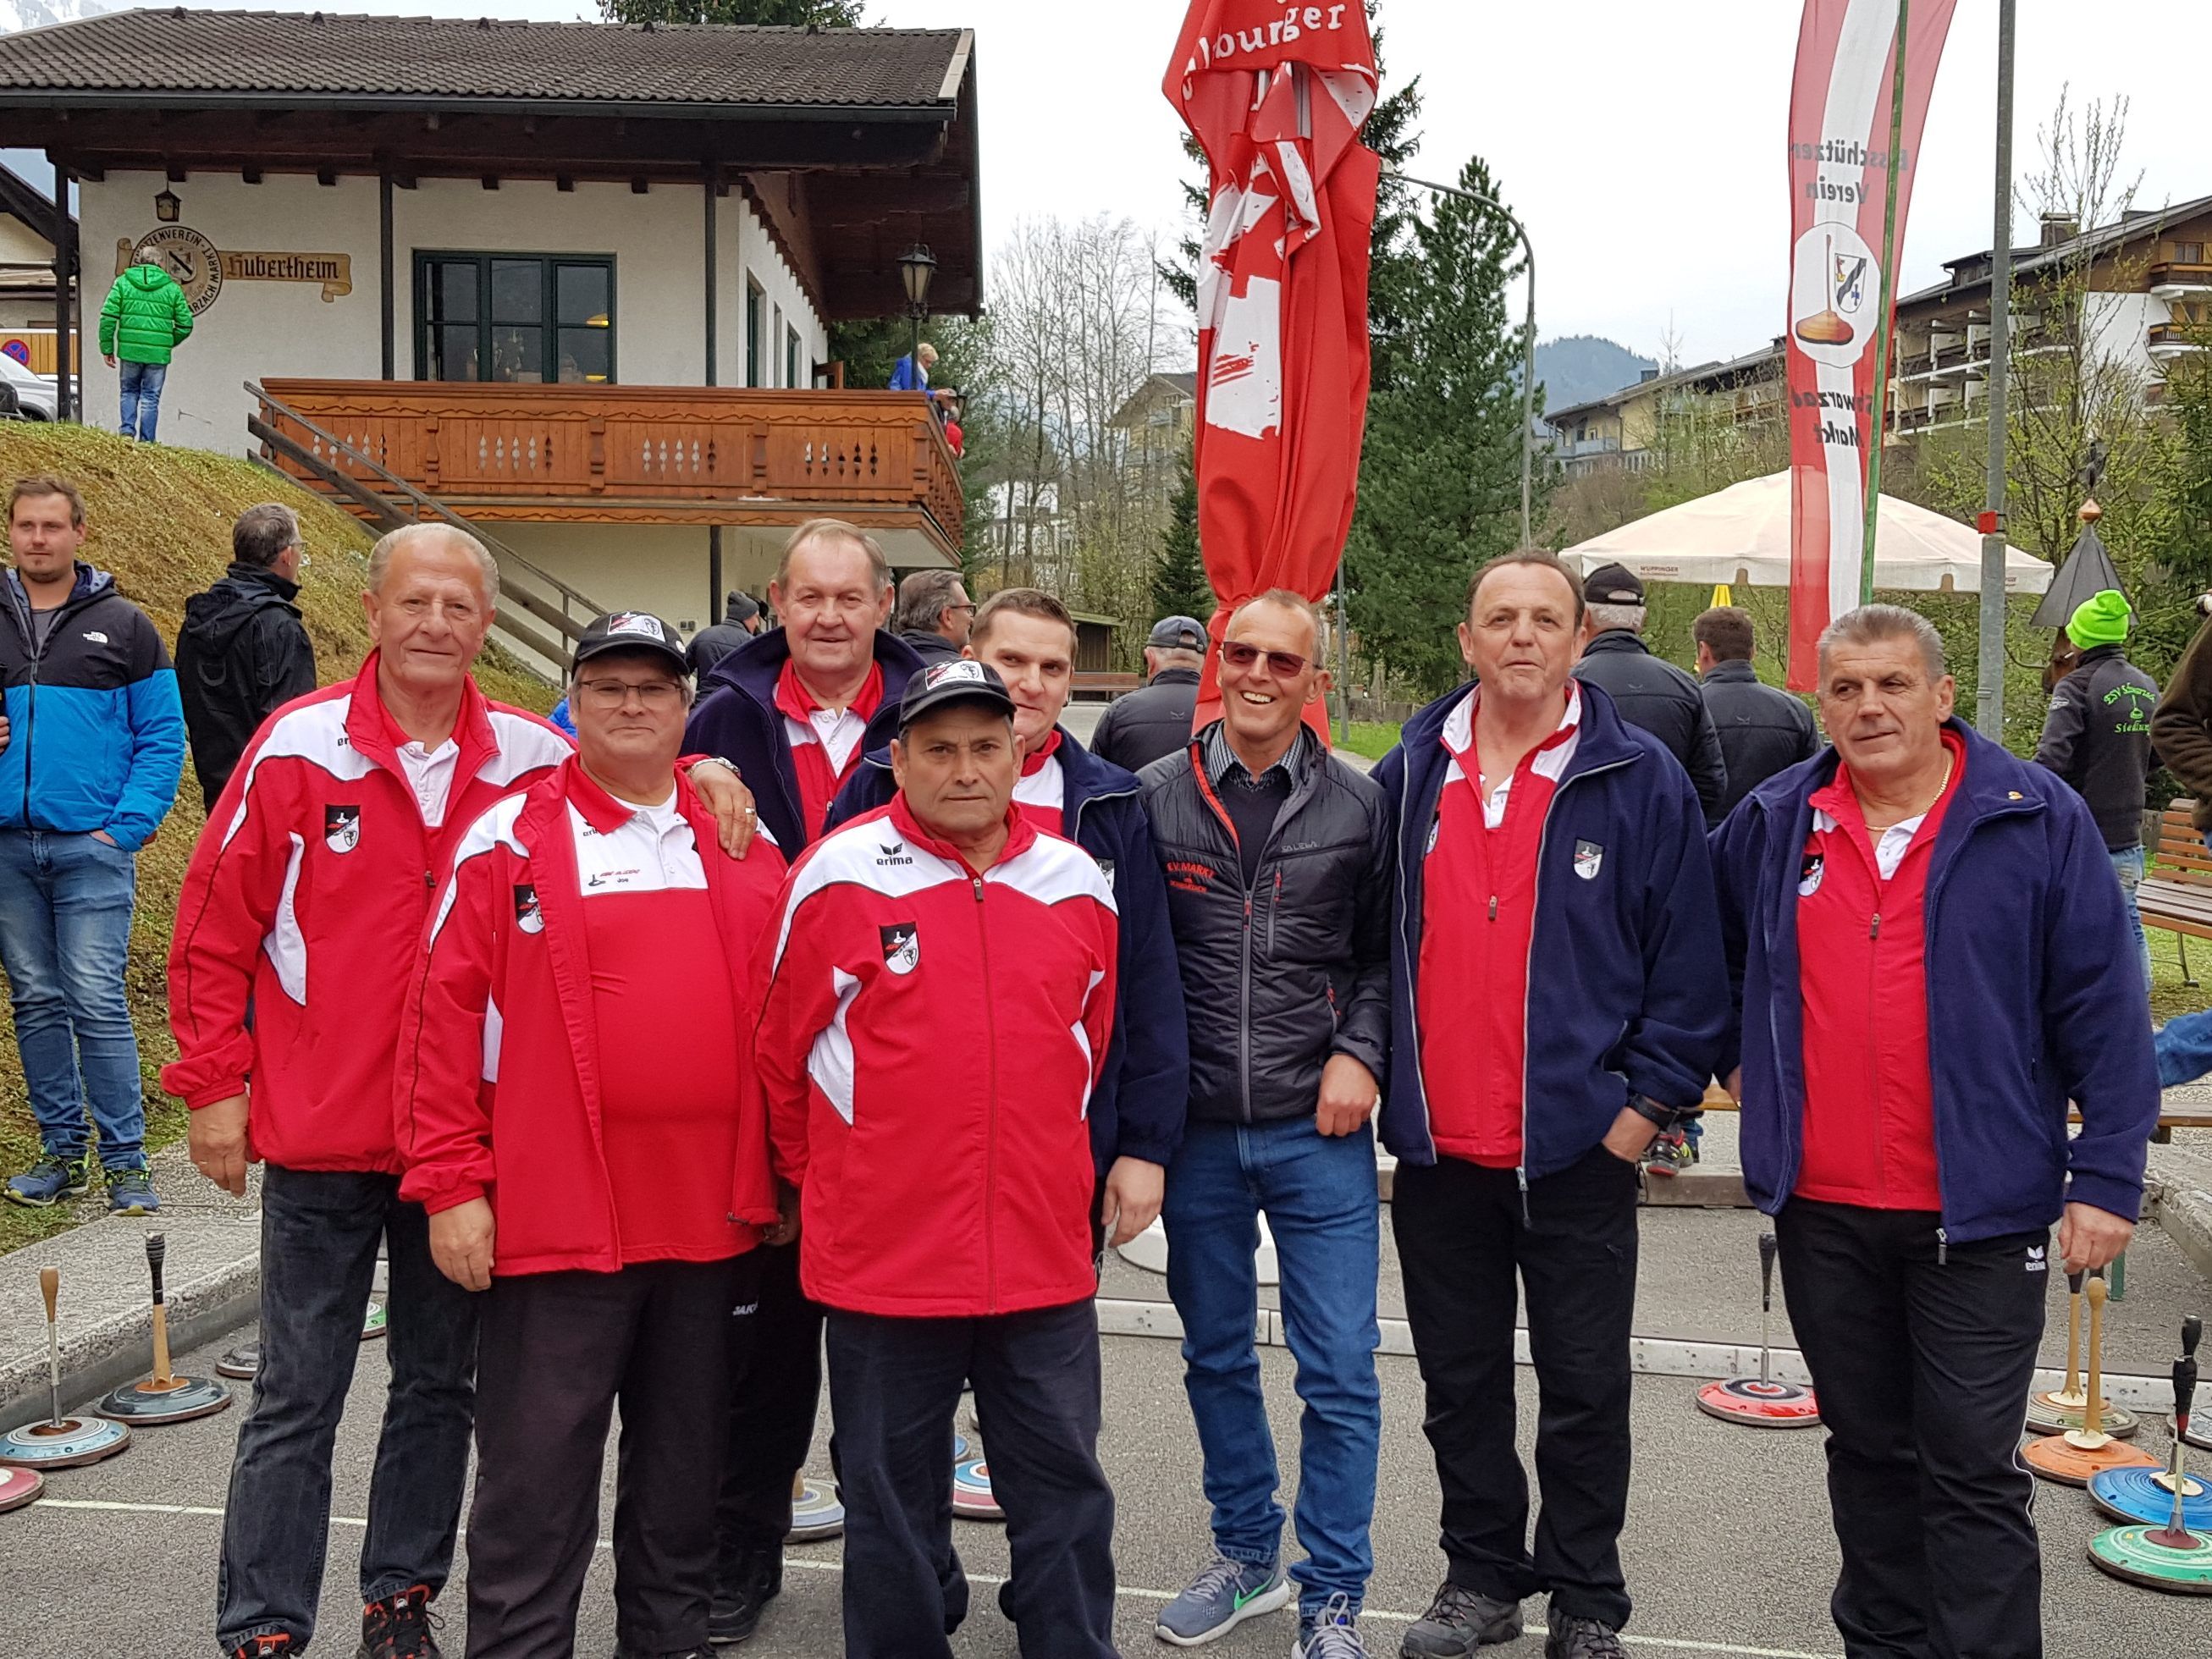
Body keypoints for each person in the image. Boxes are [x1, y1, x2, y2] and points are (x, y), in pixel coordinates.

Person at [164, 522, 756, 1659]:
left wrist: (704, 769)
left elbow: (627, 773)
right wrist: (210, 1085)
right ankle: (265, 1625)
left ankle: (401, 1599)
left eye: (458, 607)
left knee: (438, 1387)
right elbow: (212, 921)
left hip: (469, 1149)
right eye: (415, 602)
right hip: (326, 1125)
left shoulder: (531, 753)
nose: (435, 624)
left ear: (485, 626)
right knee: (299, 1392)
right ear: (373, 612)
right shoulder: (300, 747)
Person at [1712, 604, 2157, 1659]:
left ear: (1943, 696)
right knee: (1867, 1456)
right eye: (1848, 689)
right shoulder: (1776, 819)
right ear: (1820, 702)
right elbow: (1706, 954)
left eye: (1894, 684)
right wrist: (1742, 1064)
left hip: (1982, 1211)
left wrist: (2107, 1177)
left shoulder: (2034, 815)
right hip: (1822, 1208)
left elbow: (2105, 1008)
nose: (1870, 707)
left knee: (1967, 1467)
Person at [395, 609, 787, 1659]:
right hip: (556, 1222)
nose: (630, 704)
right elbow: (436, 1021)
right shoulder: (510, 835)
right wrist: (450, 1186)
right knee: (533, 1500)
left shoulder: (745, 842)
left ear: (684, 705)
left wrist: (788, 1180)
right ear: (574, 701)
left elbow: (791, 1027)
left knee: (680, 1505)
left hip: (711, 1228)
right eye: (607, 685)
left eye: (653, 687)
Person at [1375, 551, 1725, 1659]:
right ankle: (1482, 1579)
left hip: (1579, 1152)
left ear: (1581, 641)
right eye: (1500, 618)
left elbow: (1691, 973)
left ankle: (1585, 1598)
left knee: (1584, 1390)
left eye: (1544, 618)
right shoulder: (1406, 776)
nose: (1522, 635)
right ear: (1469, 640)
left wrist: (1639, 1118)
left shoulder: (1641, 780)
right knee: (1459, 1385)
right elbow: (1362, 947)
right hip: (1440, 1153)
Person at [756, 658, 1121, 1659]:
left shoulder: (1077, 882)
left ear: (1019, 753)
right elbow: (779, 1057)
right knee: (887, 1488)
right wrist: (811, 1182)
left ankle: (1069, 1643)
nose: (966, 769)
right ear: (900, 760)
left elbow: (1089, 1045)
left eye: (985, 746)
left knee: (1061, 1483)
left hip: (1039, 1247)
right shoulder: (834, 875)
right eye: (940, 749)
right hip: (885, 1250)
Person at [682, 516, 927, 1641]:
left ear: (884, 605)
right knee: (759, 1356)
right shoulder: (720, 716)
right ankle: (741, 1552)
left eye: (850, 596)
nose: (829, 615)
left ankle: (906, 1575)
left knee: (896, 1365)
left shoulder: (934, 713)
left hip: (897, 1076)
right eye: (809, 597)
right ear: (775, 604)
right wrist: (690, 767)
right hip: (762, 1074)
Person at [1142, 592, 1392, 1656]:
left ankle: (1331, 1585)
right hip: (1192, 1130)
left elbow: (1387, 954)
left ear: (1311, 678)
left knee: (1339, 1366)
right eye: (1239, 651)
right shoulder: (1151, 798)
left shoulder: (1360, 803)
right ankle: (1247, 1554)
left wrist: (1361, 1051)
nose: (1256, 672)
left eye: (1281, 660)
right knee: (1215, 1354)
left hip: (1316, 1128)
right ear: (1216, 662)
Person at [0, 474, 183, 1214]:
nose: (38, 539)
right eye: (25, 526)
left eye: (52, 526)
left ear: (79, 532)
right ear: (11, 533)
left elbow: (163, 737)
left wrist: (126, 828)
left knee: (96, 1000)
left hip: (92, 848)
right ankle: (61, 1153)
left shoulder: (128, 626)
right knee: (36, 1001)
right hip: (9, 847)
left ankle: (127, 1162)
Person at [2034, 589, 2156, 995]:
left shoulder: (2074, 687)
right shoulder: (2146, 686)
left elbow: (2053, 759)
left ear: (2077, 639)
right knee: (2128, 922)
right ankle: (2138, 1013)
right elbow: (2156, 756)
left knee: (2062, 926)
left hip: (2082, 833)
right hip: (2129, 833)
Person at [176, 503, 318, 810]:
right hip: (273, 797)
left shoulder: (197, 620)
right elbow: (294, 726)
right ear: (286, 555)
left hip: (217, 792)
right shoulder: (278, 627)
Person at [1571, 562, 1727, 827]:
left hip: (1584, 841)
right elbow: (1711, 781)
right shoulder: (1684, 686)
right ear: (1642, 619)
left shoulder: (1565, 684)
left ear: (1584, 618)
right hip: (1663, 838)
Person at [1693, 605, 1817, 819]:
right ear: (1753, 652)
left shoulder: (1690, 707)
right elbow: (1814, 783)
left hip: (1704, 838)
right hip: (1773, 836)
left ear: (1704, 651)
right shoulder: (1795, 711)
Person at [1089, 614, 1206, 774]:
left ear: (1150, 659)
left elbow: (1093, 778)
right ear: (1205, 662)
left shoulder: (1120, 711)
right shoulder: (1225, 711)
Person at [98, 251, 195, 444]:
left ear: (140, 261)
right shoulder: (172, 288)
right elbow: (186, 324)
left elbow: (108, 317)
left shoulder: (123, 283)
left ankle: (126, 432)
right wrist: (165, 342)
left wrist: (107, 348)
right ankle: (147, 441)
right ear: (160, 263)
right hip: (157, 355)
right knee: (151, 397)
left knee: (129, 391)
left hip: (130, 352)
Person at [894, 567, 974, 667]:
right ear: (947, 617)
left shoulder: (880, 667)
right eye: (967, 609)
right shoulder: (962, 675)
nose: (971, 619)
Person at [685, 589, 764, 686]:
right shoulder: (750, 643)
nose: (757, 623)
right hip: (735, 699)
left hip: (705, 699)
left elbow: (682, 669)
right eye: (756, 617)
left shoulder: (702, 636)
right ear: (745, 616)